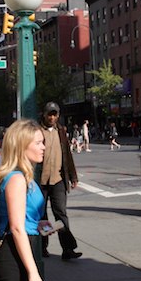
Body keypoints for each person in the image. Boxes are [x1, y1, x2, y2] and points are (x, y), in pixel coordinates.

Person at [0, 119, 56, 281]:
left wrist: (37, 224)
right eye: (38, 142)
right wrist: (34, 272)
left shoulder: (25, 177)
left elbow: (21, 220)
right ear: (22, 145)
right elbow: (16, 228)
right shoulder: (17, 178)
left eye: (43, 142)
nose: (43, 147)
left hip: (19, 250)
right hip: (12, 256)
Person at [37, 102, 82, 260]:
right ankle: (42, 247)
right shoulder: (37, 131)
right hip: (40, 181)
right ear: (44, 114)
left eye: (55, 114)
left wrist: (73, 176)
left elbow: (67, 156)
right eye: (50, 114)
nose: (52, 117)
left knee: (61, 214)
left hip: (58, 179)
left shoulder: (61, 131)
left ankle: (68, 249)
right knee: (41, 215)